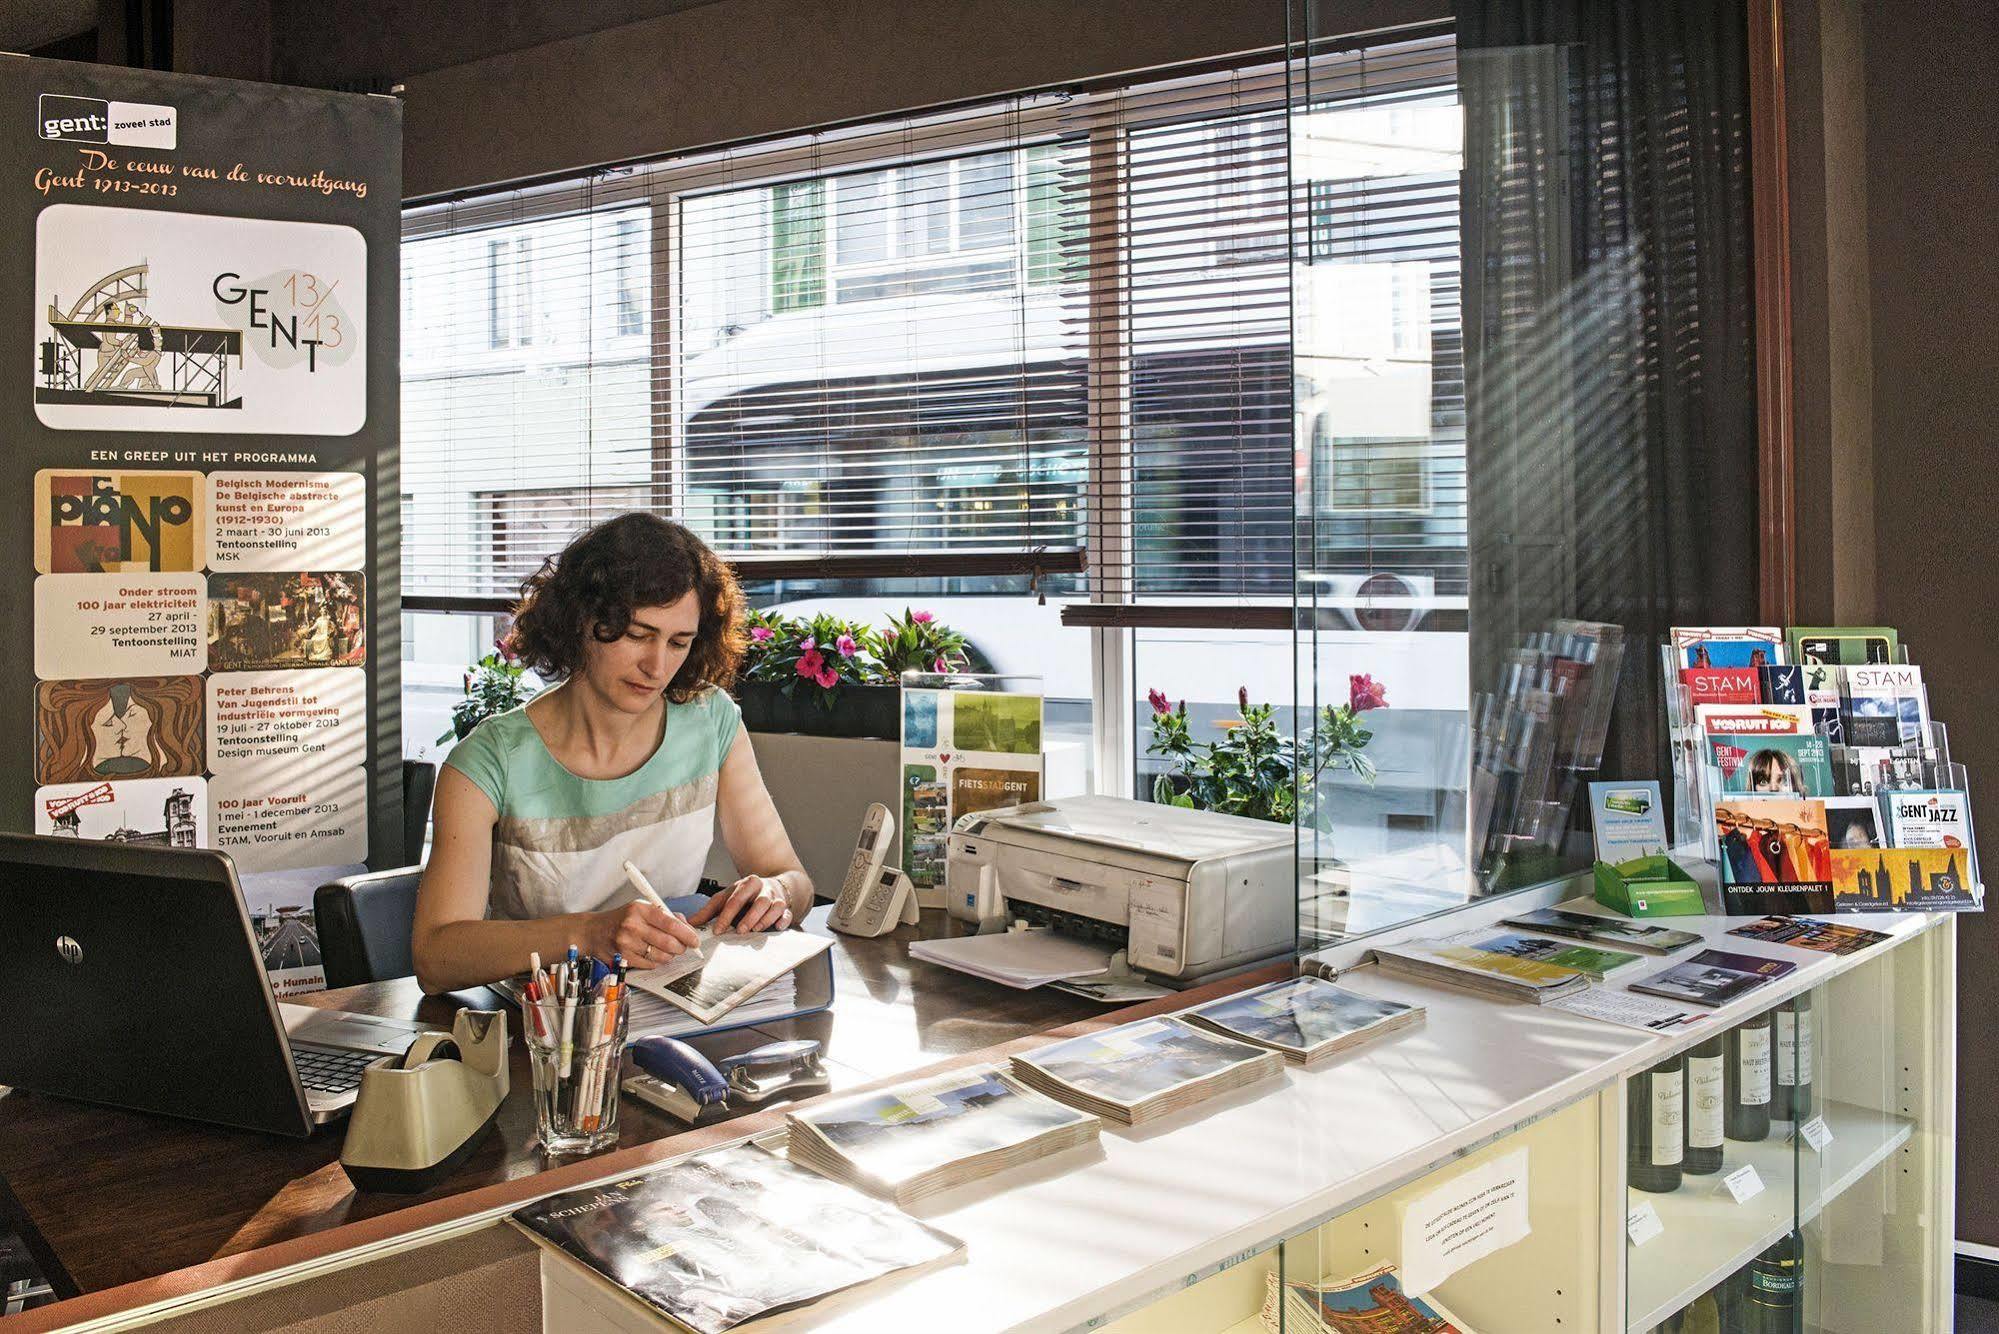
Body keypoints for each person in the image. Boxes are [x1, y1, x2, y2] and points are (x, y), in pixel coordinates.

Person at [412, 513, 812, 993]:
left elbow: (793, 880)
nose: (656, 664)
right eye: (638, 635)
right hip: (546, 1034)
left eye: (678, 642)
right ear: (581, 619)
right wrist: (589, 933)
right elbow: (435, 956)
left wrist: (775, 891)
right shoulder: (487, 763)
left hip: (667, 1011)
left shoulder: (711, 721)